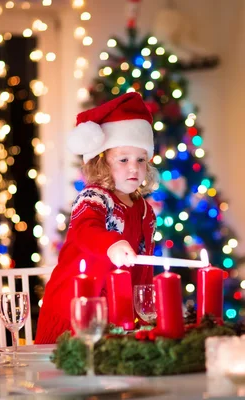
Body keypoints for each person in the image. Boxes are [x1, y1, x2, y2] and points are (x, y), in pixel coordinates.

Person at [35, 92, 158, 344]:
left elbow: (143, 266)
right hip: (75, 309)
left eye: (140, 159)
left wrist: (144, 312)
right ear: (102, 163)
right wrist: (111, 243)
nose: (133, 167)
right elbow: (84, 230)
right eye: (123, 159)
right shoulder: (94, 198)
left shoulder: (145, 210)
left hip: (117, 314)